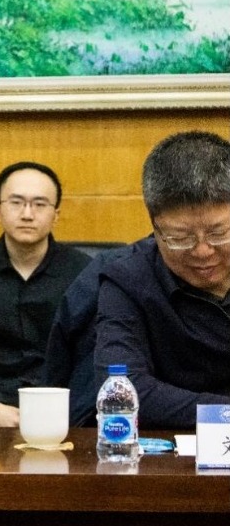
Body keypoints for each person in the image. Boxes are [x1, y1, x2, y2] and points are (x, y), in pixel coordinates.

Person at [96, 131, 230, 429]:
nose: (202, 251)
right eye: (180, 237)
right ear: (154, 227)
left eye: (219, 233)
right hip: (169, 447)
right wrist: (224, 413)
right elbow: (122, 389)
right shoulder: (128, 279)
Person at [0, 162, 92, 427]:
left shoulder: (82, 272)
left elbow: (90, 355)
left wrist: (65, 410)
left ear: (56, 214)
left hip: (63, 411)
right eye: (16, 203)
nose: (27, 214)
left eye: (39, 204)